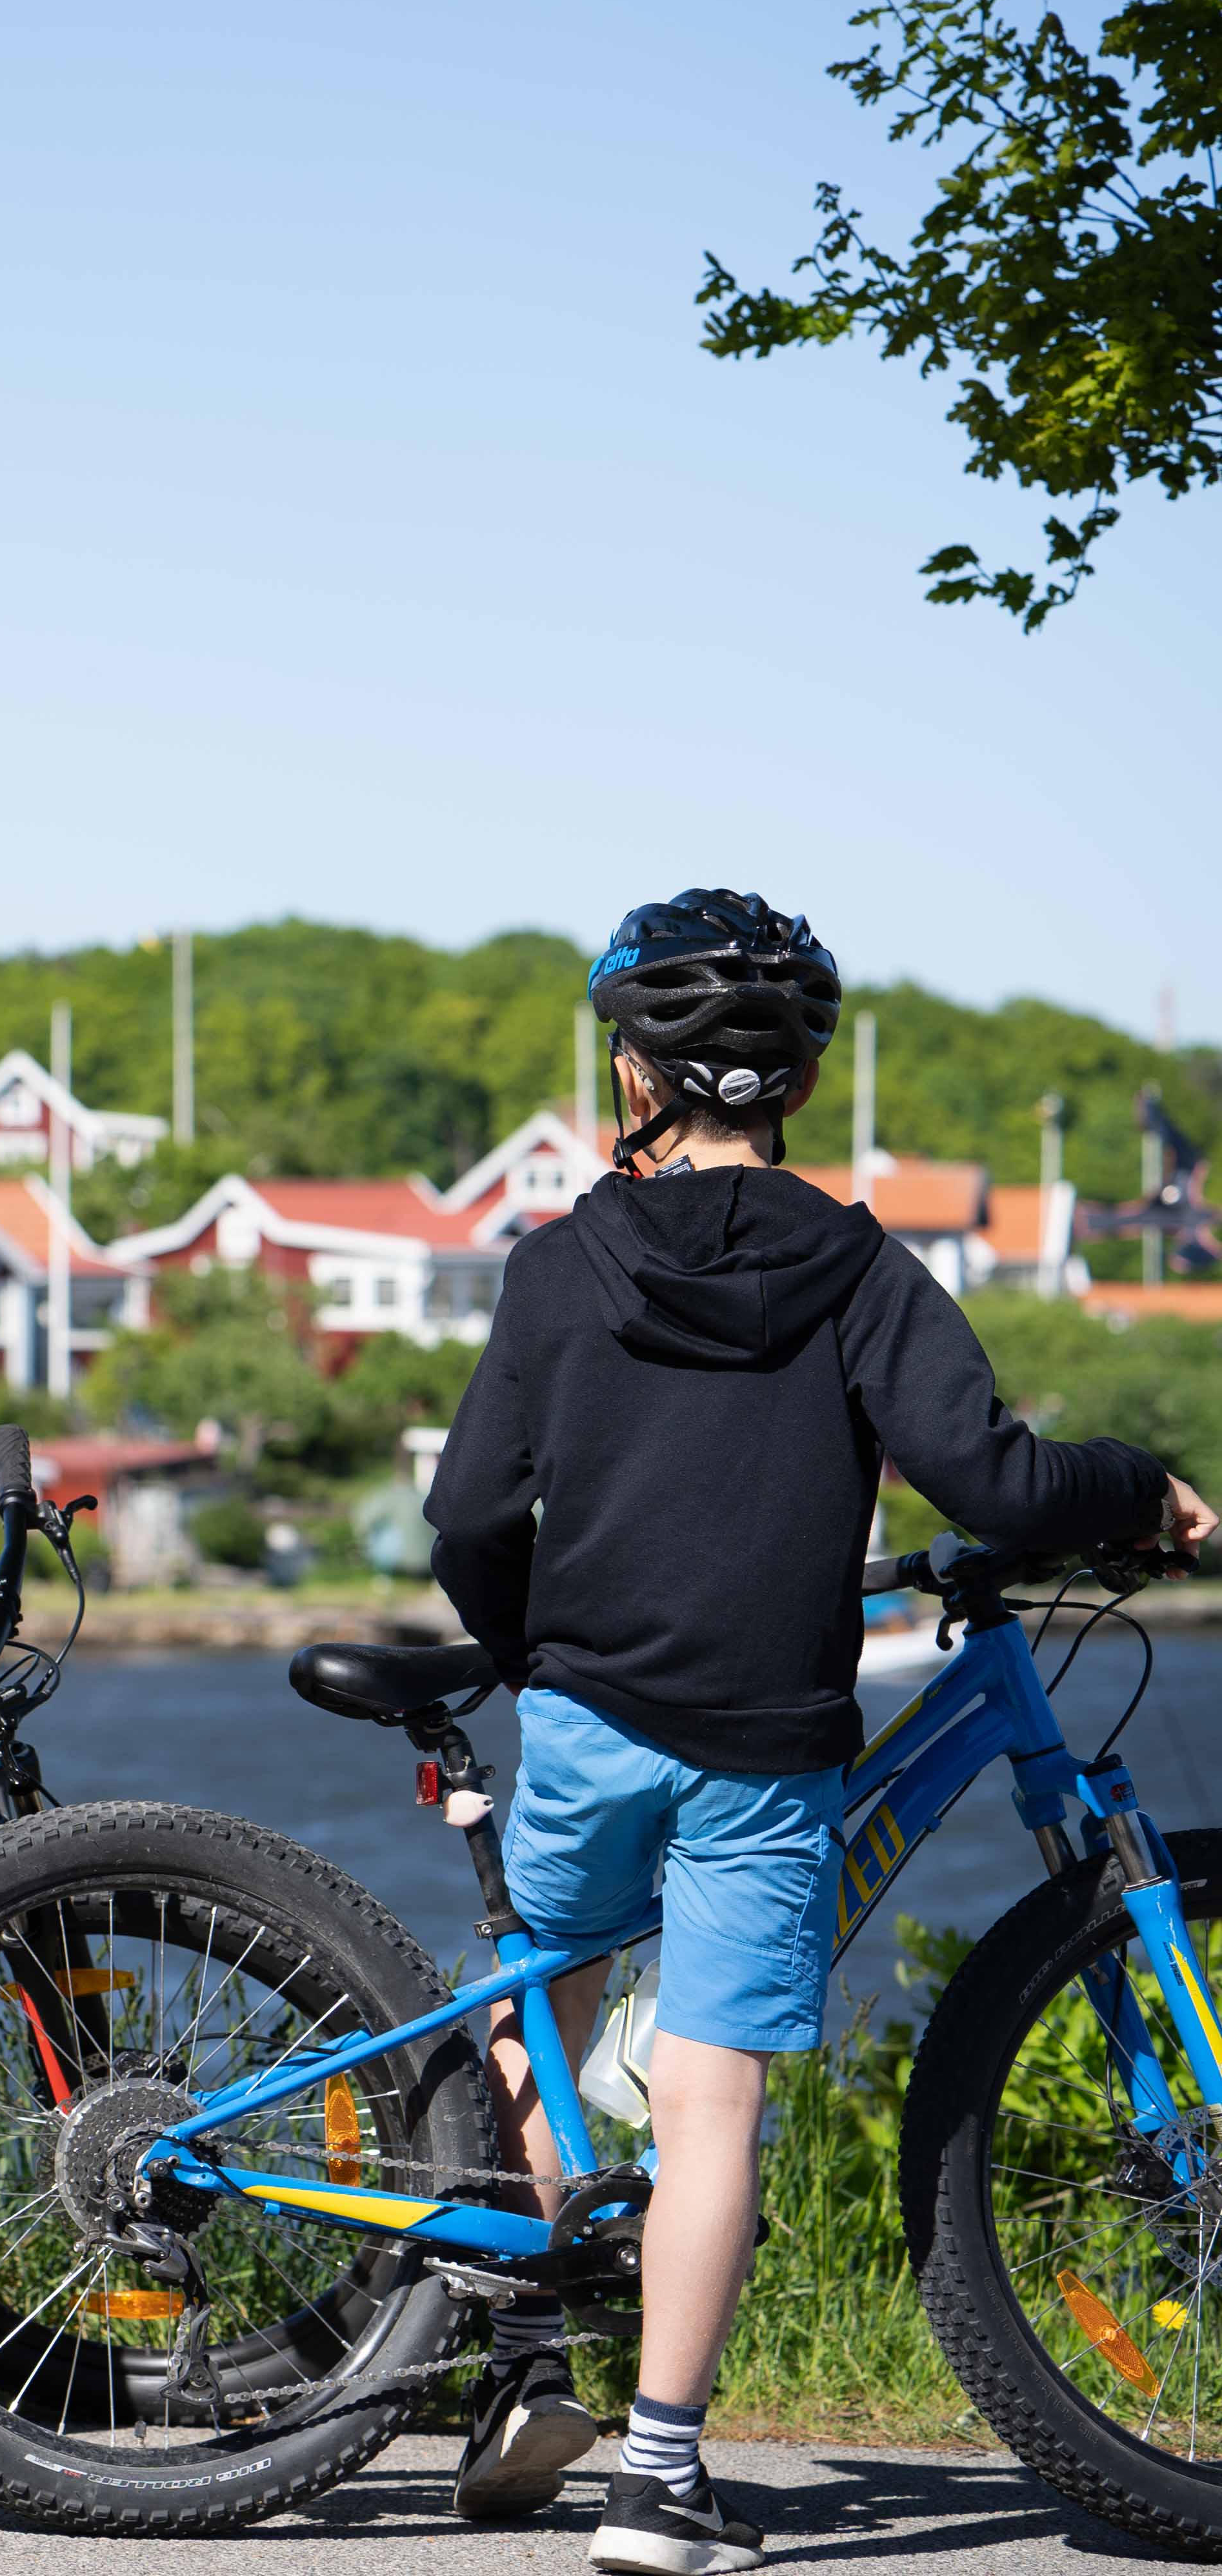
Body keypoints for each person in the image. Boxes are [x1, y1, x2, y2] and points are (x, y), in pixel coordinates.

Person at [429, 888, 1211, 2573]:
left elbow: (470, 1508)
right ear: (789, 1082)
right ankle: (656, 2483)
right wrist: (1134, 1485)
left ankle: (520, 2360)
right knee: (712, 2107)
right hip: (768, 1744)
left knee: (539, 2012)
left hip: (583, 1716)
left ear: (636, 1069)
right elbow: (993, 1479)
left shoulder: (560, 1266)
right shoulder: (864, 1268)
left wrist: (529, 1652)